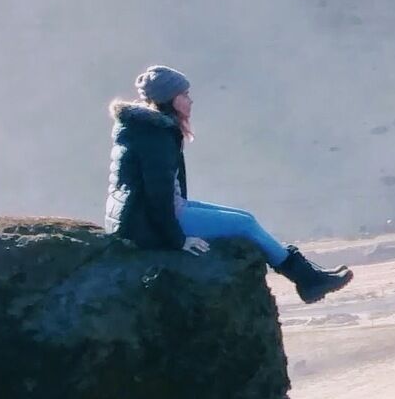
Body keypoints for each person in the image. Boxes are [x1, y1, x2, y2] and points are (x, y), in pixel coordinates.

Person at [105, 66, 355, 303]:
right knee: (244, 224)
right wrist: (178, 239)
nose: (190, 100)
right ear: (170, 99)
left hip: (142, 214)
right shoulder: (156, 136)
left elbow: (161, 192)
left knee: (245, 217)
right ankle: (307, 280)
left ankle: (307, 274)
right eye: (185, 94)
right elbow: (157, 195)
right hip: (145, 221)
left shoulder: (147, 128)